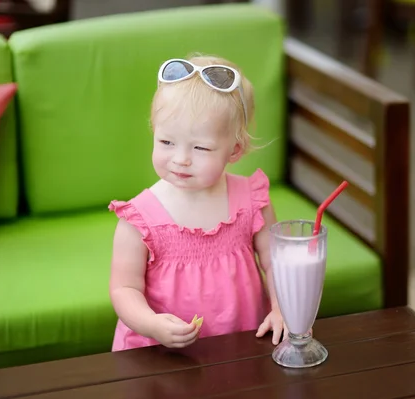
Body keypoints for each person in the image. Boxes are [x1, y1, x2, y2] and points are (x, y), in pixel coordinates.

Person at [107, 54, 286, 351]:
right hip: (161, 353)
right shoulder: (138, 220)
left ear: (235, 150)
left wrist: (282, 308)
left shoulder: (252, 201)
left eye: (200, 147)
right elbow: (124, 288)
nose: (181, 159)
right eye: (166, 142)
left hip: (240, 345)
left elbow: (275, 262)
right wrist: (151, 324)